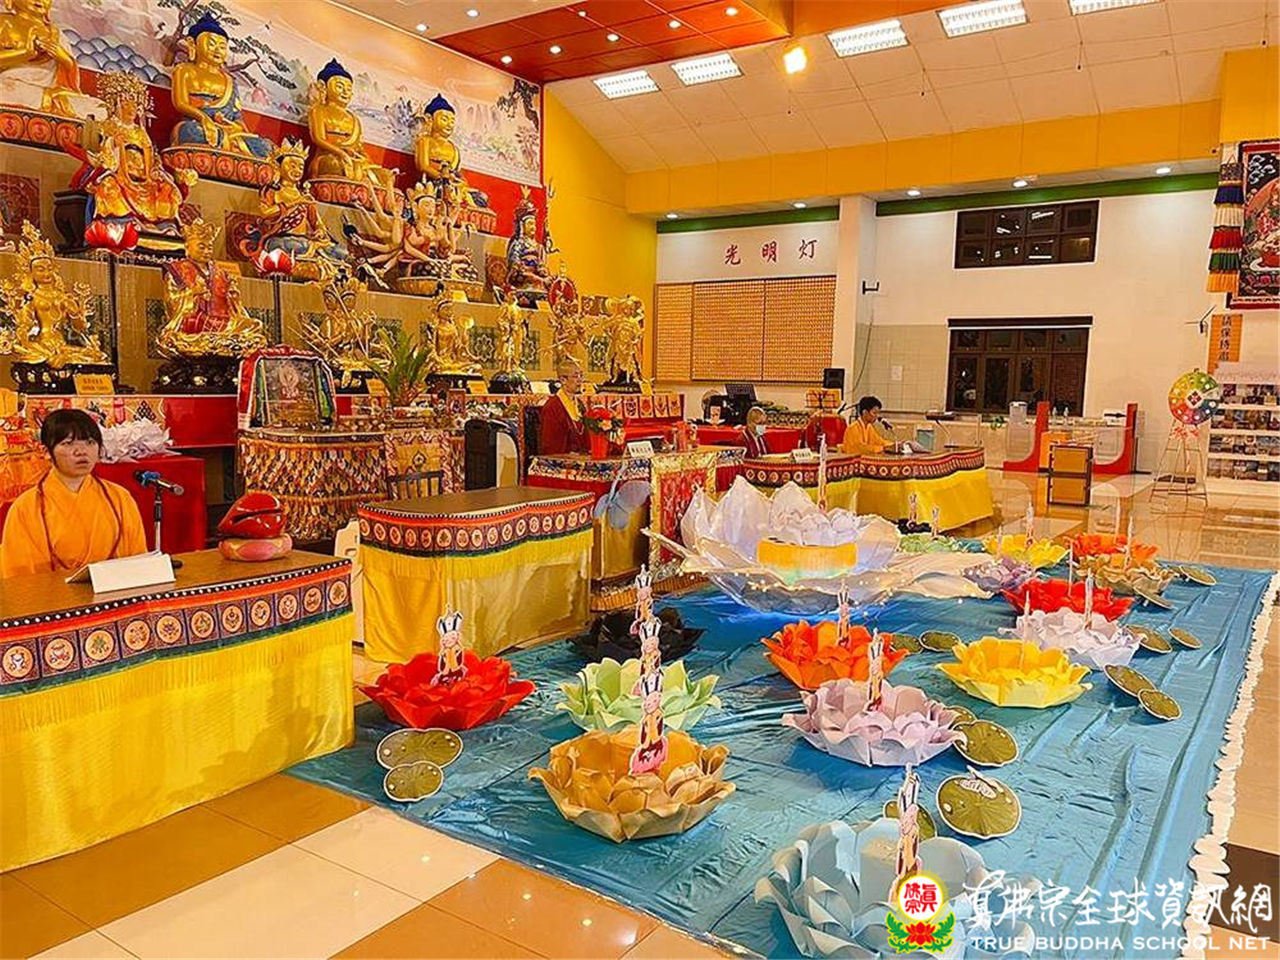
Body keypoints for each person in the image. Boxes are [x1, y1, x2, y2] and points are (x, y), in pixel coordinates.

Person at [1, 410, 147, 578]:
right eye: (68, 443)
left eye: (90, 442)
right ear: (46, 452)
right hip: (51, 593)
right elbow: (21, 577)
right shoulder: (26, 508)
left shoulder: (119, 498)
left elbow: (137, 561)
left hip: (113, 589)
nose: (81, 451)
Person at [539, 359, 589, 456]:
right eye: (575, 376)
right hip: (562, 459)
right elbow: (550, 446)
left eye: (581, 375)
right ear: (563, 380)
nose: (580, 380)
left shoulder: (579, 404)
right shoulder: (553, 407)